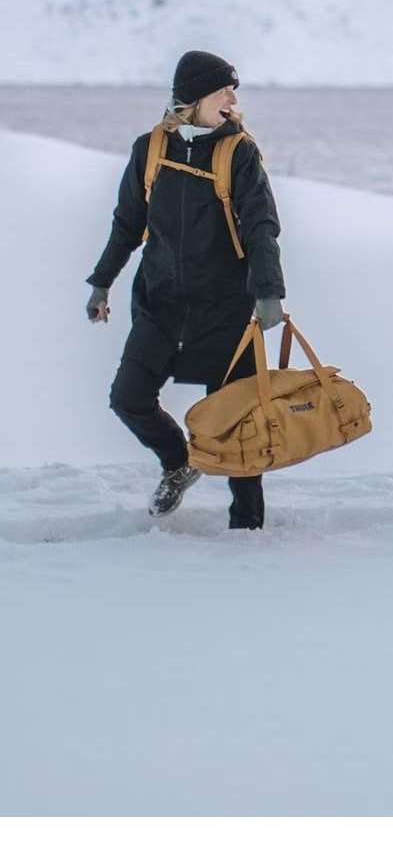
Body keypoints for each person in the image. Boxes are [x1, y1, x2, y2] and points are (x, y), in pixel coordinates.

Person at [86, 50, 287, 529]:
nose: (233, 99)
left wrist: (268, 292)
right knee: (129, 398)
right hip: (160, 304)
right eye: (224, 90)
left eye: (233, 91)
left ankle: (248, 527)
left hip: (227, 309)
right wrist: (101, 282)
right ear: (194, 98)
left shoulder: (239, 152)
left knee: (240, 424)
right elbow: (127, 224)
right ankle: (178, 462)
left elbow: (261, 227)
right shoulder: (150, 149)